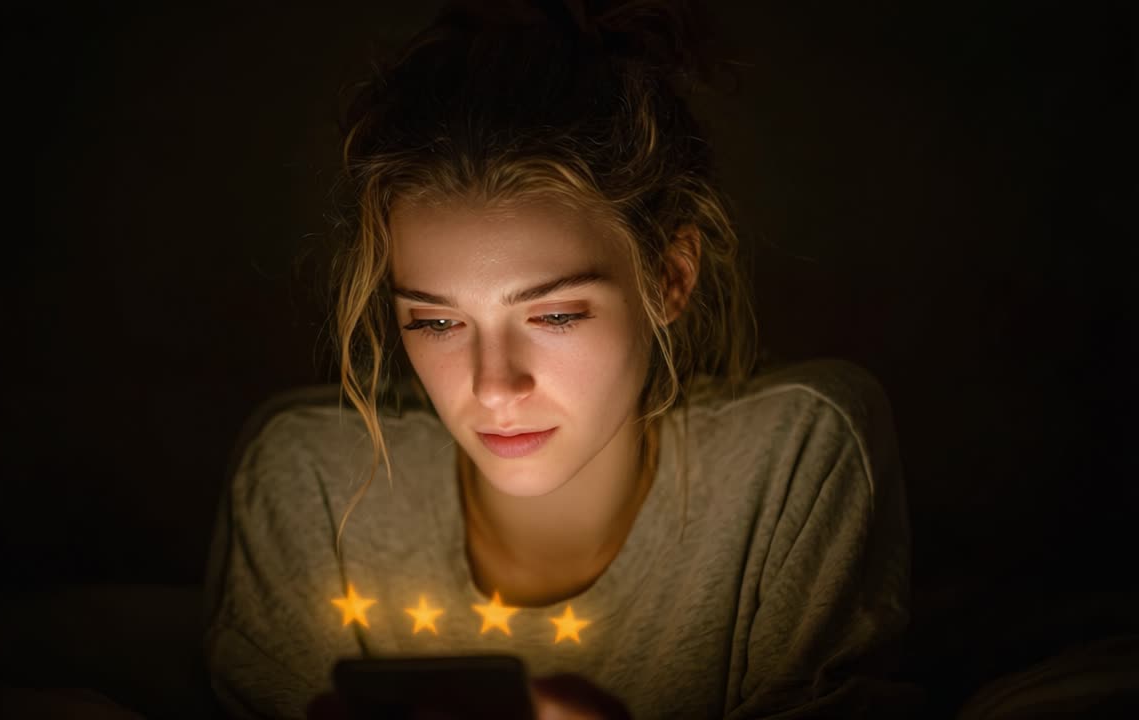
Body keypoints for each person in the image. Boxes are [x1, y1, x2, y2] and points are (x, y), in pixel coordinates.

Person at [202, 1, 916, 717]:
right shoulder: (309, 488)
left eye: (553, 314)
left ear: (671, 276)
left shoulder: (793, 461)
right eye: (439, 321)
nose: (494, 387)